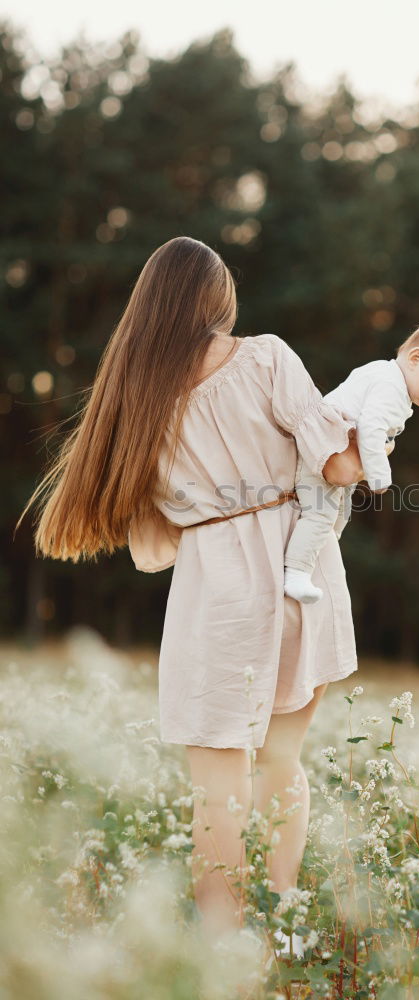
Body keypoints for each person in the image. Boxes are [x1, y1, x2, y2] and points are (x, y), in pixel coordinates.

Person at [15, 236, 365, 944]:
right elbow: (338, 468)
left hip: (216, 586)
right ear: (216, 301)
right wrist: (375, 424)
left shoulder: (135, 396)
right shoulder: (265, 356)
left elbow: (152, 534)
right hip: (301, 574)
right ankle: (280, 922)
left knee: (216, 790)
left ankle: (220, 953)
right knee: (283, 759)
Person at [283, 317, 419, 603]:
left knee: (339, 514)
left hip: (334, 452)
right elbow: (371, 429)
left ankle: (321, 561)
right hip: (323, 452)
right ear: (415, 358)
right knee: (320, 513)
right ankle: (296, 574)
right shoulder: (391, 387)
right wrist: (378, 476)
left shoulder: (385, 376)